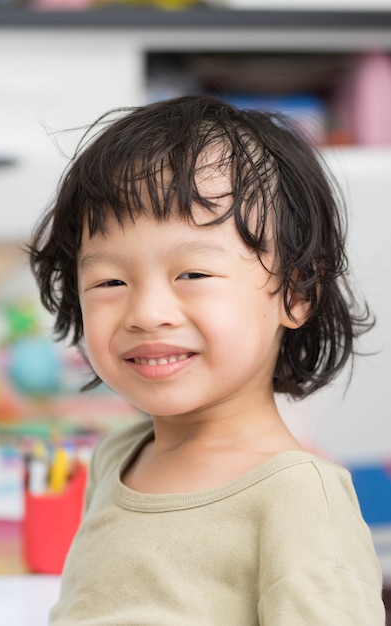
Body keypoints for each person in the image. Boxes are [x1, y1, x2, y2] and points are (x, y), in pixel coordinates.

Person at [29, 95, 385, 624]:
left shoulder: (299, 499)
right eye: (110, 281)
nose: (147, 313)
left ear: (296, 292)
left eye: (192, 274)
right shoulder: (117, 458)